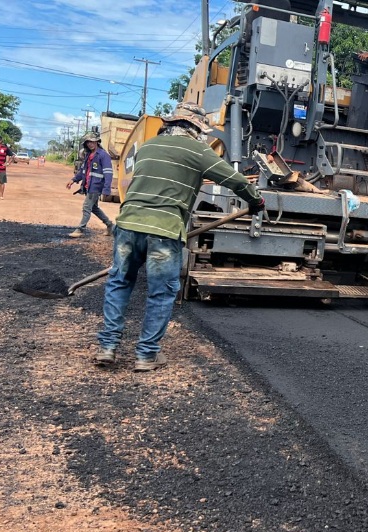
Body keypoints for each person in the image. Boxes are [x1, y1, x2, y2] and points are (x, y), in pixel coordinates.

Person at [92, 102, 265, 372]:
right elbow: (237, 181)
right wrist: (255, 202)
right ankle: (146, 355)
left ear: (170, 124)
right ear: (196, 128)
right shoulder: (197, 150)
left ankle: (107, 347)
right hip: (164, 231)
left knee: (119, 282)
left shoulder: (148, 146)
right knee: (161, 292)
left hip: (128, 225)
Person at [67, 133, 115, 237]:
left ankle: (80, 229)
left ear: (97, 142)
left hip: (96, 186)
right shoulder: (88, 155)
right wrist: (73, 180)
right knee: (93, 208)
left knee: (86, 207)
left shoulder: (103, 155)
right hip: (88, 186)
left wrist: (106, 189)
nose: (90, 144)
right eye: (88, 142)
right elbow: (83, 171)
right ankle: (110, 225)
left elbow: (108, 173)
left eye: (92, 141)